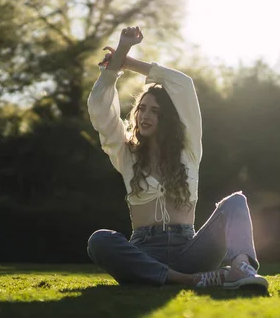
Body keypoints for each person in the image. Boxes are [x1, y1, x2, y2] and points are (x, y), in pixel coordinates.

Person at [86, 26, 268, 290]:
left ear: (168, 118)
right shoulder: (126, 153)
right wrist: (120, 52)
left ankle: (240, 268)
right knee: (99, 240)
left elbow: (183, 85)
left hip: (191, 252)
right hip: (145, 254)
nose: (145, 116)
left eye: (155, 111)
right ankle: (189, 281)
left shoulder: (189, 150)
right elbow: (101, 110)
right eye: (142, 109)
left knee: (236, 202)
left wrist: (129, 62)